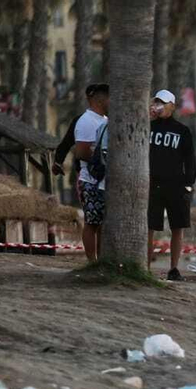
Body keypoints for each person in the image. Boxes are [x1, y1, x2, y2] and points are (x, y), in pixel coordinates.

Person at [147, 90, 196, 280]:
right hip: (152, 184)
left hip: (176, 185)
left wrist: (188, 184)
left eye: (164, 103)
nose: (160, 106)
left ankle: (174, 269)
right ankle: (145, 267)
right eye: (157, 102)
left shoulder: (182, 131)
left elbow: (189, 158)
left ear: (172, 106)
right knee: (149, 226)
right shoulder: (148, 127)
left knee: (178, 227)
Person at [70, 84, 110, 261]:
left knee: (102, 224)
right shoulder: (87, 121)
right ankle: (91, 260)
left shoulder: (104, 120)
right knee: (92, 222)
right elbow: (80, 151)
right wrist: (100, 157)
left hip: (102, 180)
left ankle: (101, 259)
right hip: (90, 179)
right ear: (101, 100)